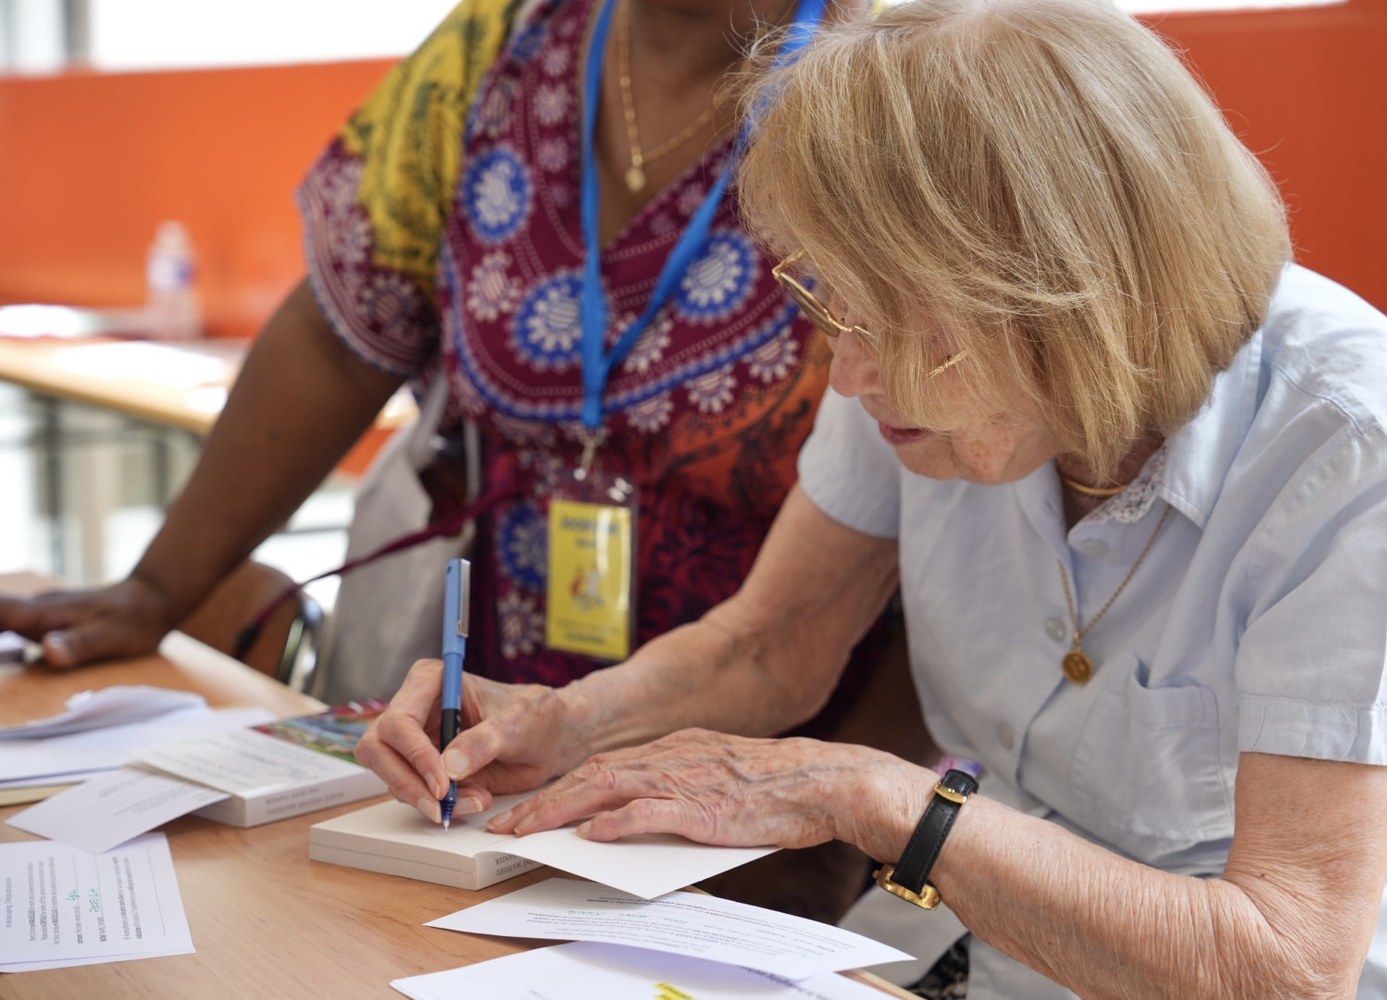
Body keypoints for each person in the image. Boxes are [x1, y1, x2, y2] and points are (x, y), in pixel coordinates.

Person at [354, 0, 1387, 995]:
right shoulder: (920, 362)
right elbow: (772, 640)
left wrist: (870, 794)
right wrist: (564, 724)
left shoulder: (1345, 436)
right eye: (832, 304)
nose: (847, 374)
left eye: (890, 321)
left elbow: (1289, 965)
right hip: (1000, 962)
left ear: (1068, 293)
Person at [0, 0, 921, 921]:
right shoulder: (504, 41)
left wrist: (847, 833)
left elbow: (949, 540)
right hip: (516, 732)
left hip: (798, 765)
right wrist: (158, 587)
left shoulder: (899, 63)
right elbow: (342, 329)